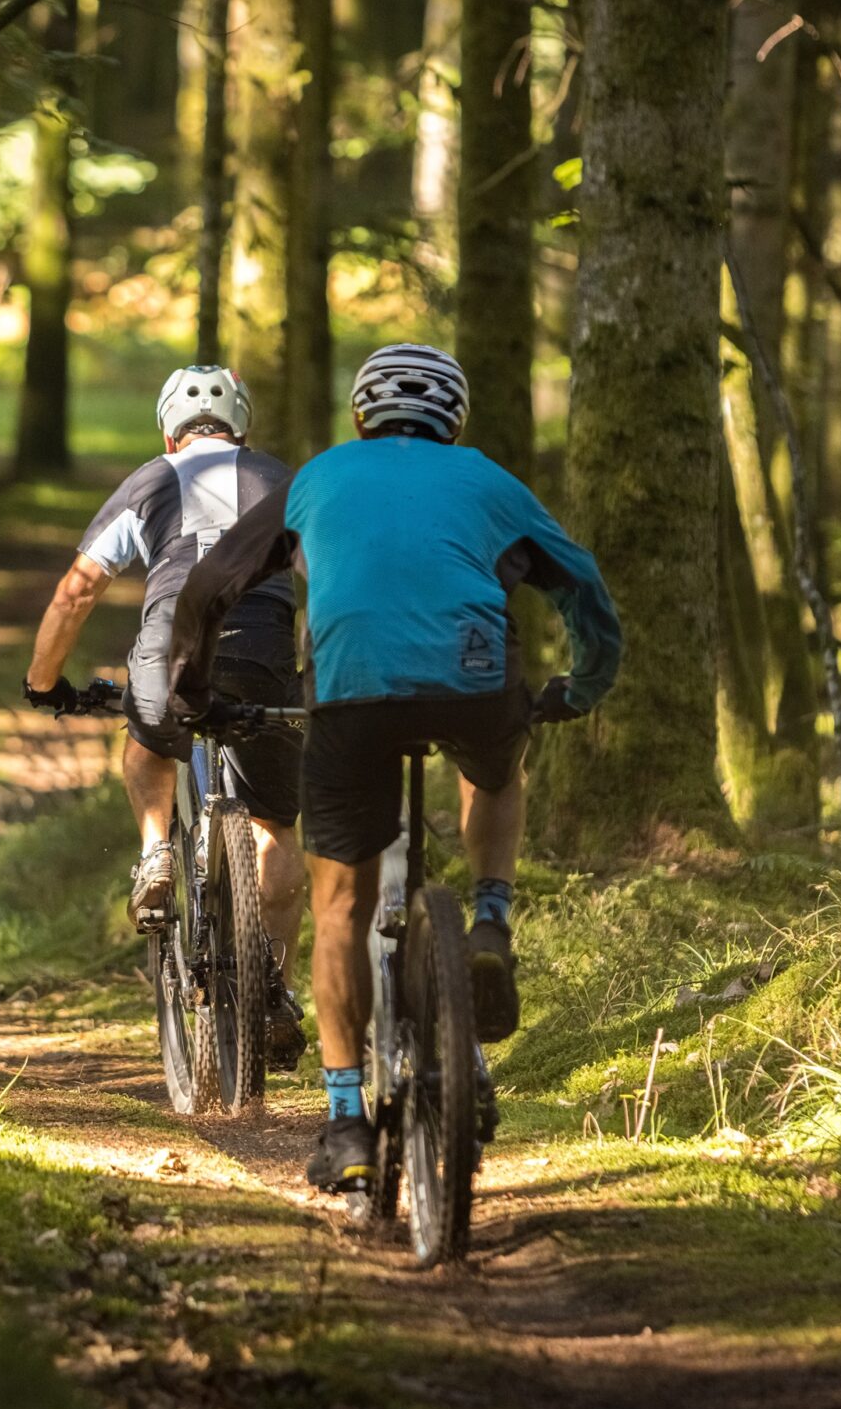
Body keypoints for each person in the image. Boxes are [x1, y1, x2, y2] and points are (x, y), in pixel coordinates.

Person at [168, 342, 621, 1192]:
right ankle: (489, 917)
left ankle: (345, 1122)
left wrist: (193, 693)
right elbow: (582, 584)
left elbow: (210, 588)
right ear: (455, 420)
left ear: (361, 416)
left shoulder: (317, 477)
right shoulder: (488, 480)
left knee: (341, 904)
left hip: (352, 691)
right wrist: (581, 687)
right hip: (475, 686)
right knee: (497, 764)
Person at [23, 364, 307, 1066]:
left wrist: (45, 685)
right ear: (243, 426)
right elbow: (329, 577)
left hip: (170, 650)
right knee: (275, 828)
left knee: (149, 742)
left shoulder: (151, 481)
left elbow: (76, 592)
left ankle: (154, 850)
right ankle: (274, 989)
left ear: (167, 430)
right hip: (264, 651)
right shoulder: (282, 479)